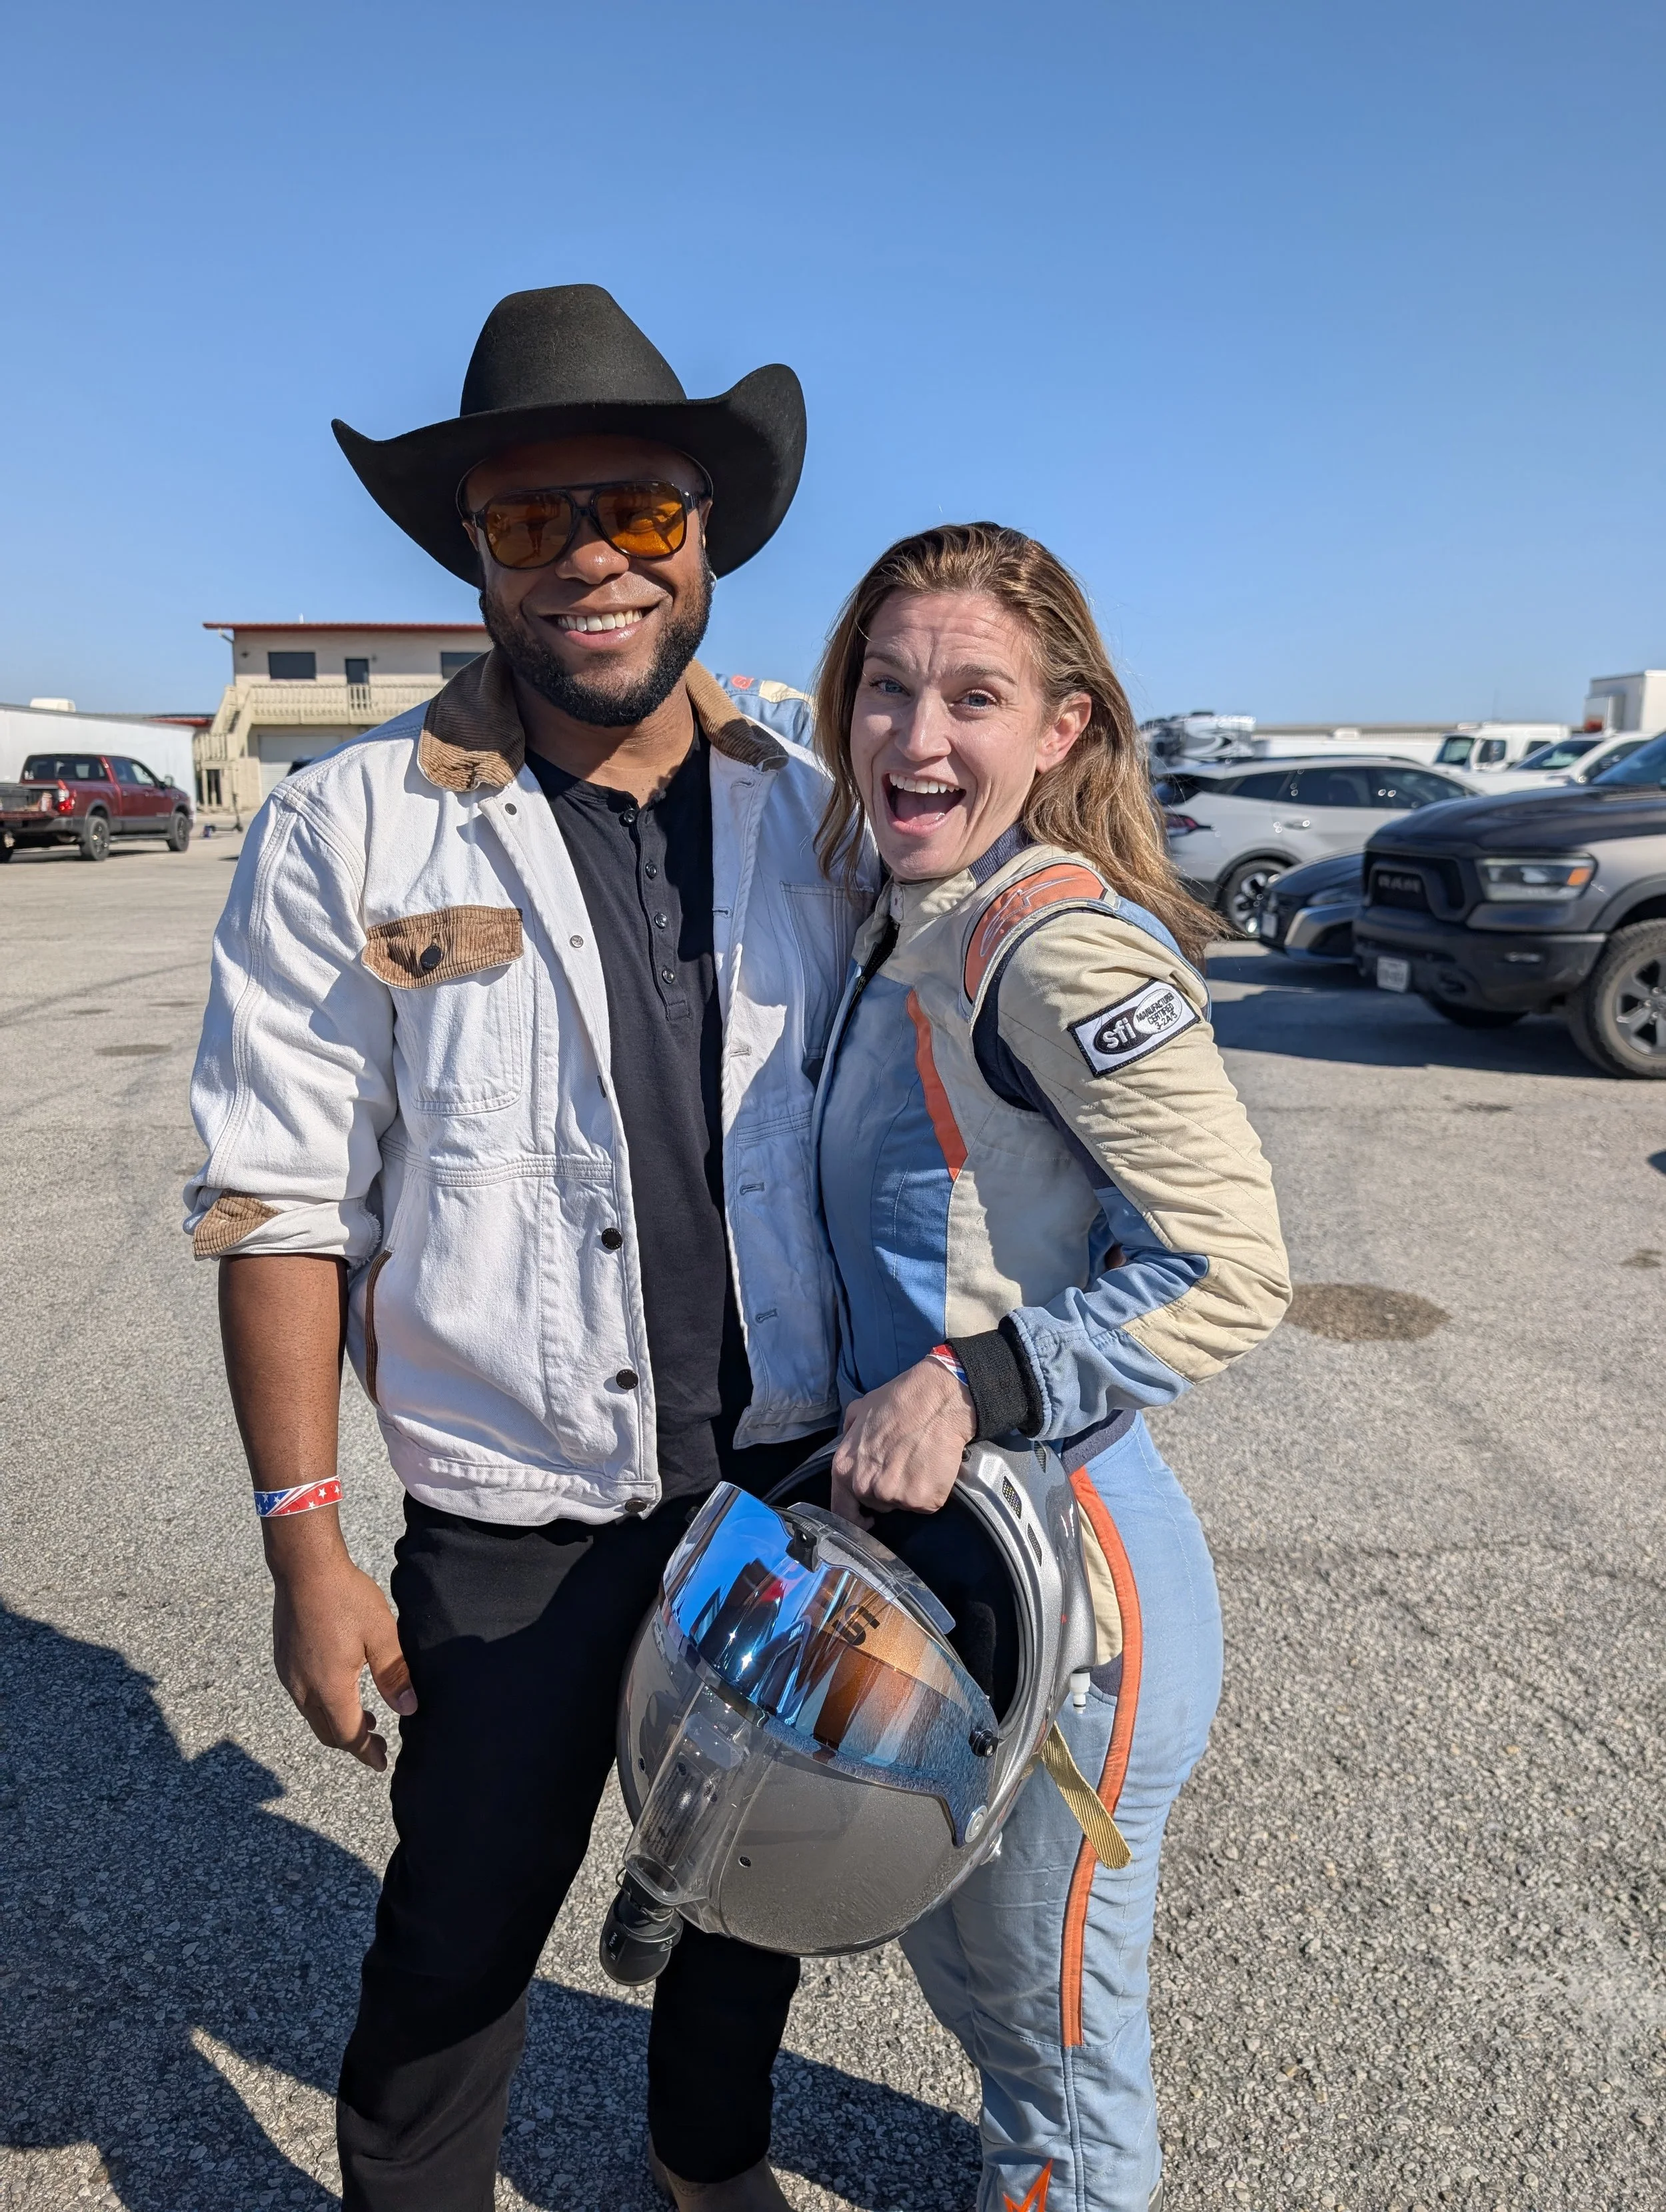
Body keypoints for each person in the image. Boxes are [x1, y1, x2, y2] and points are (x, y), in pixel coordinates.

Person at [187, 284, 872, 2212]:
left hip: (781, 1482)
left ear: (705, 534)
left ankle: (700, 2166)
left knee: (751, 1883)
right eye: (525, 520)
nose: (588, 560)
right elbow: (276, 1200)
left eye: (637, 511)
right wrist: (305, 1544)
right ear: (472, 557)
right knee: (456, 1935)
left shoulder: (817, 810)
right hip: (513, 1510)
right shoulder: (349, 829)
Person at [810, 523, 1291, 2212]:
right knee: (971, 1974)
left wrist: (978, 1379)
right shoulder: (901, 907)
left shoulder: (1047, 942)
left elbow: (1236, 1268)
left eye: (972, 695)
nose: (914, 735)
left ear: (1061, 727)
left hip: (1067, 1588)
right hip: (937, 1565)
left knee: (1058, 2046)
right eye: (884, 687)